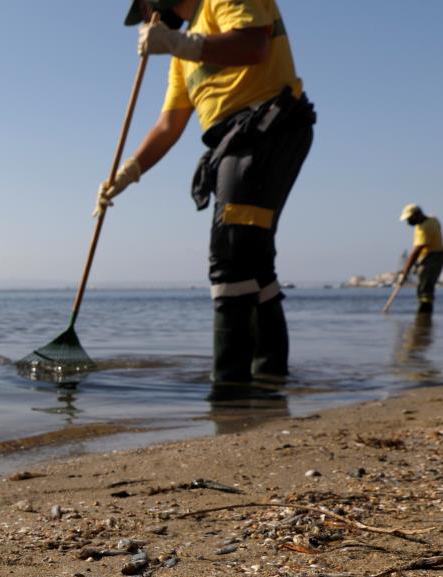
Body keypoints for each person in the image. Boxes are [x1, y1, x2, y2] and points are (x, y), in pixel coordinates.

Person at [96, 0, 315, 394]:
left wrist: (180, 44)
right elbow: (169, 124)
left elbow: (253, 46)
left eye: (145, 11)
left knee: (230, 253)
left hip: (267, 126)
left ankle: (229, 388)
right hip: (231, 142)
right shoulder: (180, 57)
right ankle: (270, 380)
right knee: (252, 260)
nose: (147, 21)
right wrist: (127, 173)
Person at [397, 204, 443, 315]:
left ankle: (424, 317)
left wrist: (405, 271)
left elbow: (417, 251)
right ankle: (423, 322)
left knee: (425, 289)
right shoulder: (432, 220)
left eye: (410, 218)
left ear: (418, 214)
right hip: (428, 256)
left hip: (433, 257)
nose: (408, 222)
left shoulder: (425, 228)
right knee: (422, 287)